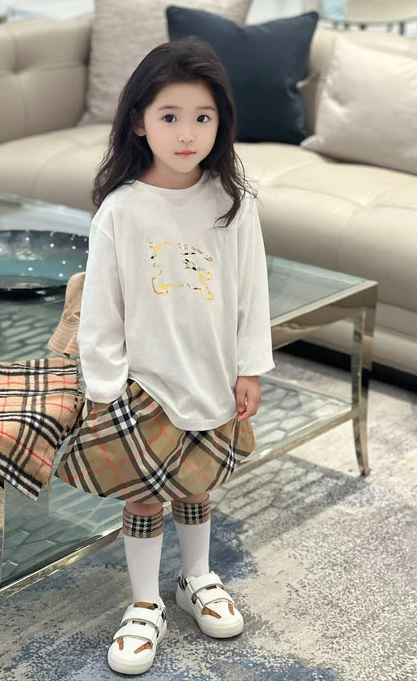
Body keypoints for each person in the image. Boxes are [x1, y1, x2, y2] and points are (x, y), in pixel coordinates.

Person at [60, 37, 274, 675]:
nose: (187, 134)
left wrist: (249, 367)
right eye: (170, 116)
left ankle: (197, 578)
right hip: (144, 383)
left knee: (198, 485)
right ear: (139, 122)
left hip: (211, 375)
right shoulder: (122, 211)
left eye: (202, 117)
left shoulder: (233, 203)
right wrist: (105, 388)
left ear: (221, 122)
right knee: (144, 497)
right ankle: (145, 602)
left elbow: (252, 291)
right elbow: (102, 308)